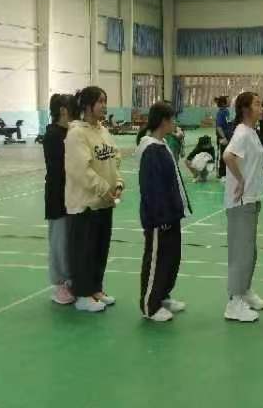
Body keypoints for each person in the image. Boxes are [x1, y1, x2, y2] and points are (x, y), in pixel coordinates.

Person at [65, 86, 123, 313]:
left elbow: (114, 160)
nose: (104, 106)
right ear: (87, 106)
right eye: (100, 101)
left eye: (105, 101)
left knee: (100, 249)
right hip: (85, 205)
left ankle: (95, 289)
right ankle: (82, 294)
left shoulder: (104, 131)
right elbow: (81, 170)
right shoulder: (76, 134)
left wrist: (118, 184)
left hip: (104, 202)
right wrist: (103, 188)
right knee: (84, 252)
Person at [135, 102, 191, 323]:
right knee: (156, 260)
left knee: (171, 259)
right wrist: (161, 218)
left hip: (171, 215)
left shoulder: (163, 144)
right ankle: (150, 305)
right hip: (159, 219)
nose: (175, 123)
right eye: (172, 119)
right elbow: (152, 189)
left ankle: (162, 295)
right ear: (163, 121)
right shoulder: (150, 150)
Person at [222, 92, 263, 323]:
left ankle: (244, 291)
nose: (262, 108)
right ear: (245, 109)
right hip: (240, 201)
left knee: (250, 251)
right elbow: (227, 156)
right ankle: (234, 303)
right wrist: (240, 181)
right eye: (257, 104)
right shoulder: (241, 132)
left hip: (252, 199)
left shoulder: (252, 132)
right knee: (241, 252)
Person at [42, 93, 78, 305]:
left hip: (75, 196)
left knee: (73, 242)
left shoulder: (73, 132)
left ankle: (74, 281)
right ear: (63, 110)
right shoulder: (53, 135)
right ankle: (60, 284)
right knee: (59, 241)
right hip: (58, 196)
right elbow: (60, 169)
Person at [215, 96, 231, 181]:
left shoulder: (226, 111)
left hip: (227, 137)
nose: (230, 101)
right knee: (222, 155)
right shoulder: (221, 113)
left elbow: (227, 123)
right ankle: (221, 174)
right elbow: (219, 127)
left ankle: (225, 173)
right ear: (223, 103)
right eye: (228, 100)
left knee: (226, 155)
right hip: (222, 137)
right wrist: (223, 137)